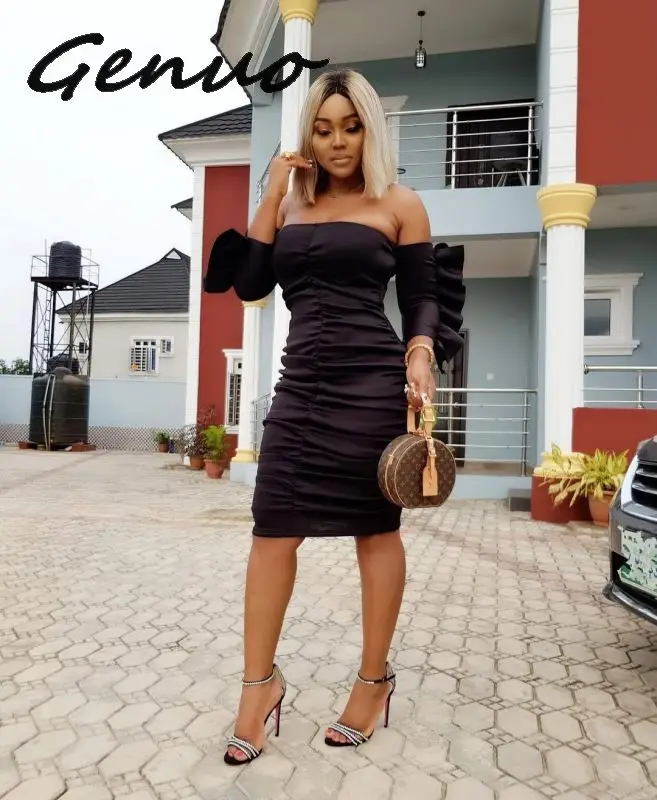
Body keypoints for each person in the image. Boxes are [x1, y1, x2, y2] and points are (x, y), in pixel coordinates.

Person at [203, 68, 464, 766]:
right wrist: (270, 193)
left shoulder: (398, 203)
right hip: (300, 390)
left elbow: (422, 297)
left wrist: (418, 354)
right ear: (307, 136)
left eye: (351, 127)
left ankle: (373, 684)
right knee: (271, 532)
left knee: (375, 533)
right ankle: (258, 688)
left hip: (370, 387)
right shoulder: (291, 203)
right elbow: (252, 284)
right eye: (323, 130)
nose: (338, 142)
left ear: (370, 131)